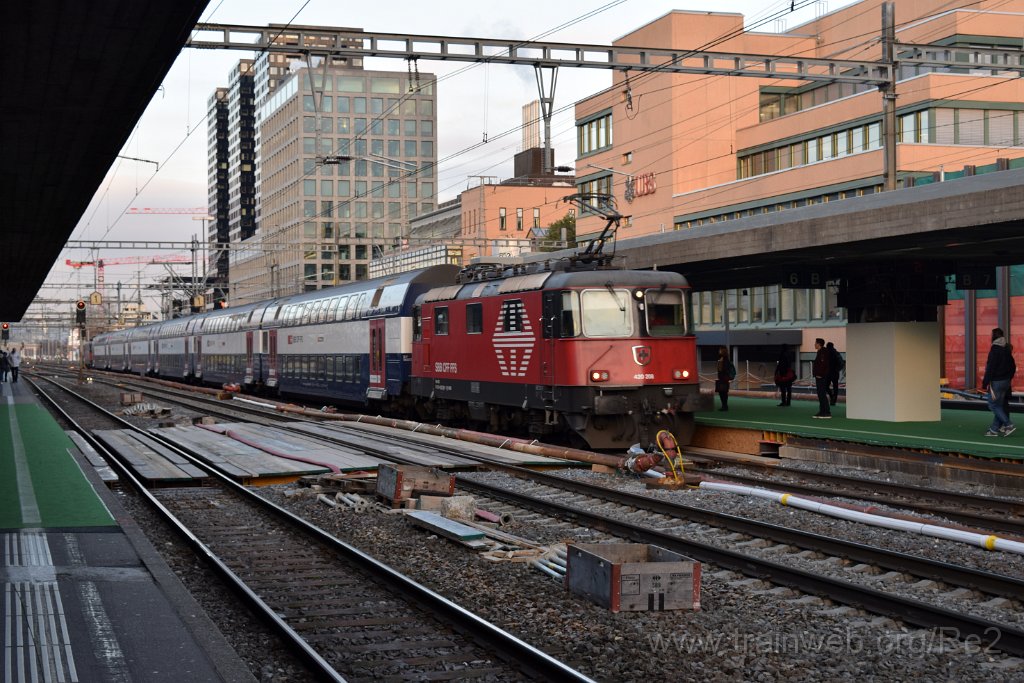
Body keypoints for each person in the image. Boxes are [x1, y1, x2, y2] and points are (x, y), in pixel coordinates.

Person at [982, 327, 1016, 437]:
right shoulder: (1006, 348)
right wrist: (1008, 377)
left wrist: (985, 382)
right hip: (1006, 381)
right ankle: (994, 429)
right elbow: (1013, 366)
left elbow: (990, 367)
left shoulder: (994, 350)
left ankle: (1008, 424)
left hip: (996, 382)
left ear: (994, 336)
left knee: (992, 405)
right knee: (999, 405)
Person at [812, 338, 832, 418]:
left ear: (819, 344)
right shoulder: (821, 352)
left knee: (822, 394)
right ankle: (822, 411)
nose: (814, 344)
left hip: (821, 377)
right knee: (821, 394)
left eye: (815, 343)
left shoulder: (823, 352)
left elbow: (823, 365)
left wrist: (820, 374)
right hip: (820, 376)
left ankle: (826, 412)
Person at [826, 341, 845, 406]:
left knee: (826, 386)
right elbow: (841, 363)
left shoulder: (826, 353)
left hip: (827, 373)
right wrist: (837, 369)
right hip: (835, 373)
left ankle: (831, 397)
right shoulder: (836, 353)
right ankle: (833, 400)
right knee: (835, 387)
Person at [715, 345, 733, 411]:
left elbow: (724, 369)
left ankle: (725, 406)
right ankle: (724, 406)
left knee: (723, 392)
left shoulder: (725, 359)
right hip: (722, 378)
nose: (719, 351)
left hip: (724, 378)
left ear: (722, 350)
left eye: (720, 350)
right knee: (722, 392)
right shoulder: (722, 358)